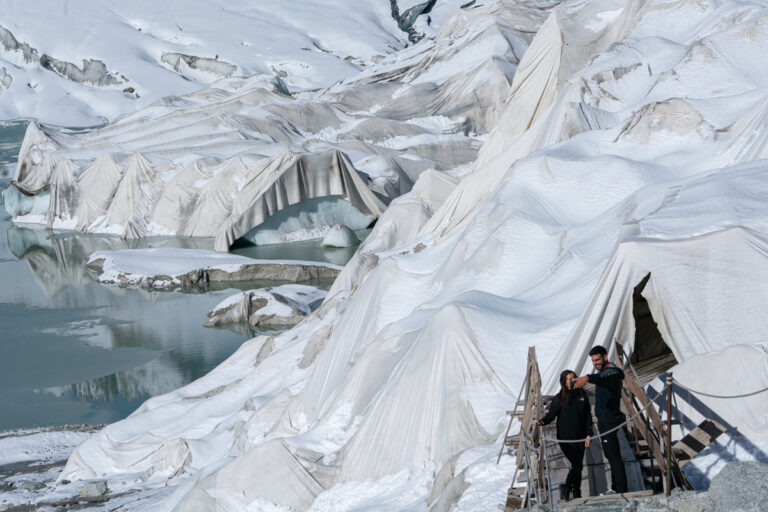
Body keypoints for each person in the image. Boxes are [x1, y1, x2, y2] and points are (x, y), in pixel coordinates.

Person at [573, 345, 628, 494]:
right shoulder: (603, 372)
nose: (595, 363)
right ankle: (616, 488)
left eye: (597, 359)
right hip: (603, 419)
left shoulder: (612, 371)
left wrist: (588, 377)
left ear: (605, 357)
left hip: (610, 419)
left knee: (613, 454)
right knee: (610, 454)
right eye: (593, 361)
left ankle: (621, 489)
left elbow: (607, 377)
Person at [533, 370, 592, 501]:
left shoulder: (582, 395)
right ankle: (567, 487)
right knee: (577, 465)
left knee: (578, 466)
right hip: (565, 438)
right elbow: (552, 414)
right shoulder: (559, 398)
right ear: (564, 382)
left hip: (581, 437)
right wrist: (542, 421)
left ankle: (576, 492)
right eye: (570, 379)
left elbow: (588, 416)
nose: (573, 380)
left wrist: (589, 434)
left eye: (574, 378)